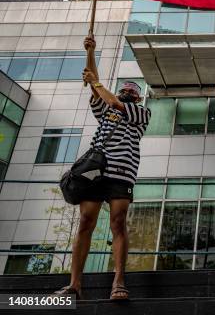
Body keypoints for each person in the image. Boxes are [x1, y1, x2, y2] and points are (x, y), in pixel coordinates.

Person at [54, 37, 150, 300]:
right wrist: (90, 51)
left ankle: (118, 282)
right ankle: (74, 285)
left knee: (118, 222)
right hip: (96, 170)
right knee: (86, 221)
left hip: (122, 172)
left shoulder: (141, 113)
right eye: (125, 89)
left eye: (132, 90)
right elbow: (94, 86)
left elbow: (102, 91)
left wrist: (96, 82)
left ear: (138, 97)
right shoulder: (106, 112)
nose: (128, 92)